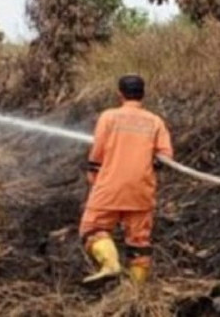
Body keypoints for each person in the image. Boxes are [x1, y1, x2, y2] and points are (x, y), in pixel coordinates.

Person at [79, 74, 174, 286]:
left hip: (110, 186)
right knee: (139, 242)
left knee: (92, 229)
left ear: (120, 94)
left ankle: (110, 264)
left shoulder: (109, 117)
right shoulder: (155, 121)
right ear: (143, 94)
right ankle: (135, 293)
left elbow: (98, 152)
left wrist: (93, 172)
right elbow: (165, 155)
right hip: (141, 190)